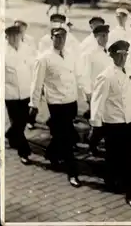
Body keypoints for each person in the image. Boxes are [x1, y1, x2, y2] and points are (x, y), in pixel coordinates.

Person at [90, 40, 131, 210]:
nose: (122, 58)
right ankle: (130, 194)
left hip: (129, 121)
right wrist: (96, 126)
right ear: (111, 55)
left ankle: (114, 180)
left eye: (125, 54)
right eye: (118, 54)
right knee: (120, 157)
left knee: (124, 157)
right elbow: (98, 102)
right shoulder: (106, 76)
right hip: (113, 123)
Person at [29, 23, 82, 188]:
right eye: (57, 36)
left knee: (61, 135)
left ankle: (51, 153)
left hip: (70, 101)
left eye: (63, 37)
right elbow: (36, 84)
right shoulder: (44, 58)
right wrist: (34, 104)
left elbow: (76, 76)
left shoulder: (70, 55)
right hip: (56, 103)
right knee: (66, 138)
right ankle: (72, 173)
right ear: (51, 38)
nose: (60, 40)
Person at [79, 24, 112, 156]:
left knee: (106, 120)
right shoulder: (90, 54)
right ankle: (92, 143)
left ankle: (96, 141)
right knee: (98, 122)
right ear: (95, 37)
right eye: (101, 36)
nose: (104, 38)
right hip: (96, 93)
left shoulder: (109, 51)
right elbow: (85, 75)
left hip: (109, 92)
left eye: (106, 35)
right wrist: (88, 93)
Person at [4, 25, 33, 165]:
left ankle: (10, 133)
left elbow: (33, 68)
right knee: (17, 122)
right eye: (11, 36)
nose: (14, 39)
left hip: (26, 92)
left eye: (16, 36)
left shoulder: (27, 49)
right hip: (11, 94)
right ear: (7, 37)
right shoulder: (3, 52)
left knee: (23, 121)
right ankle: (24, 152)